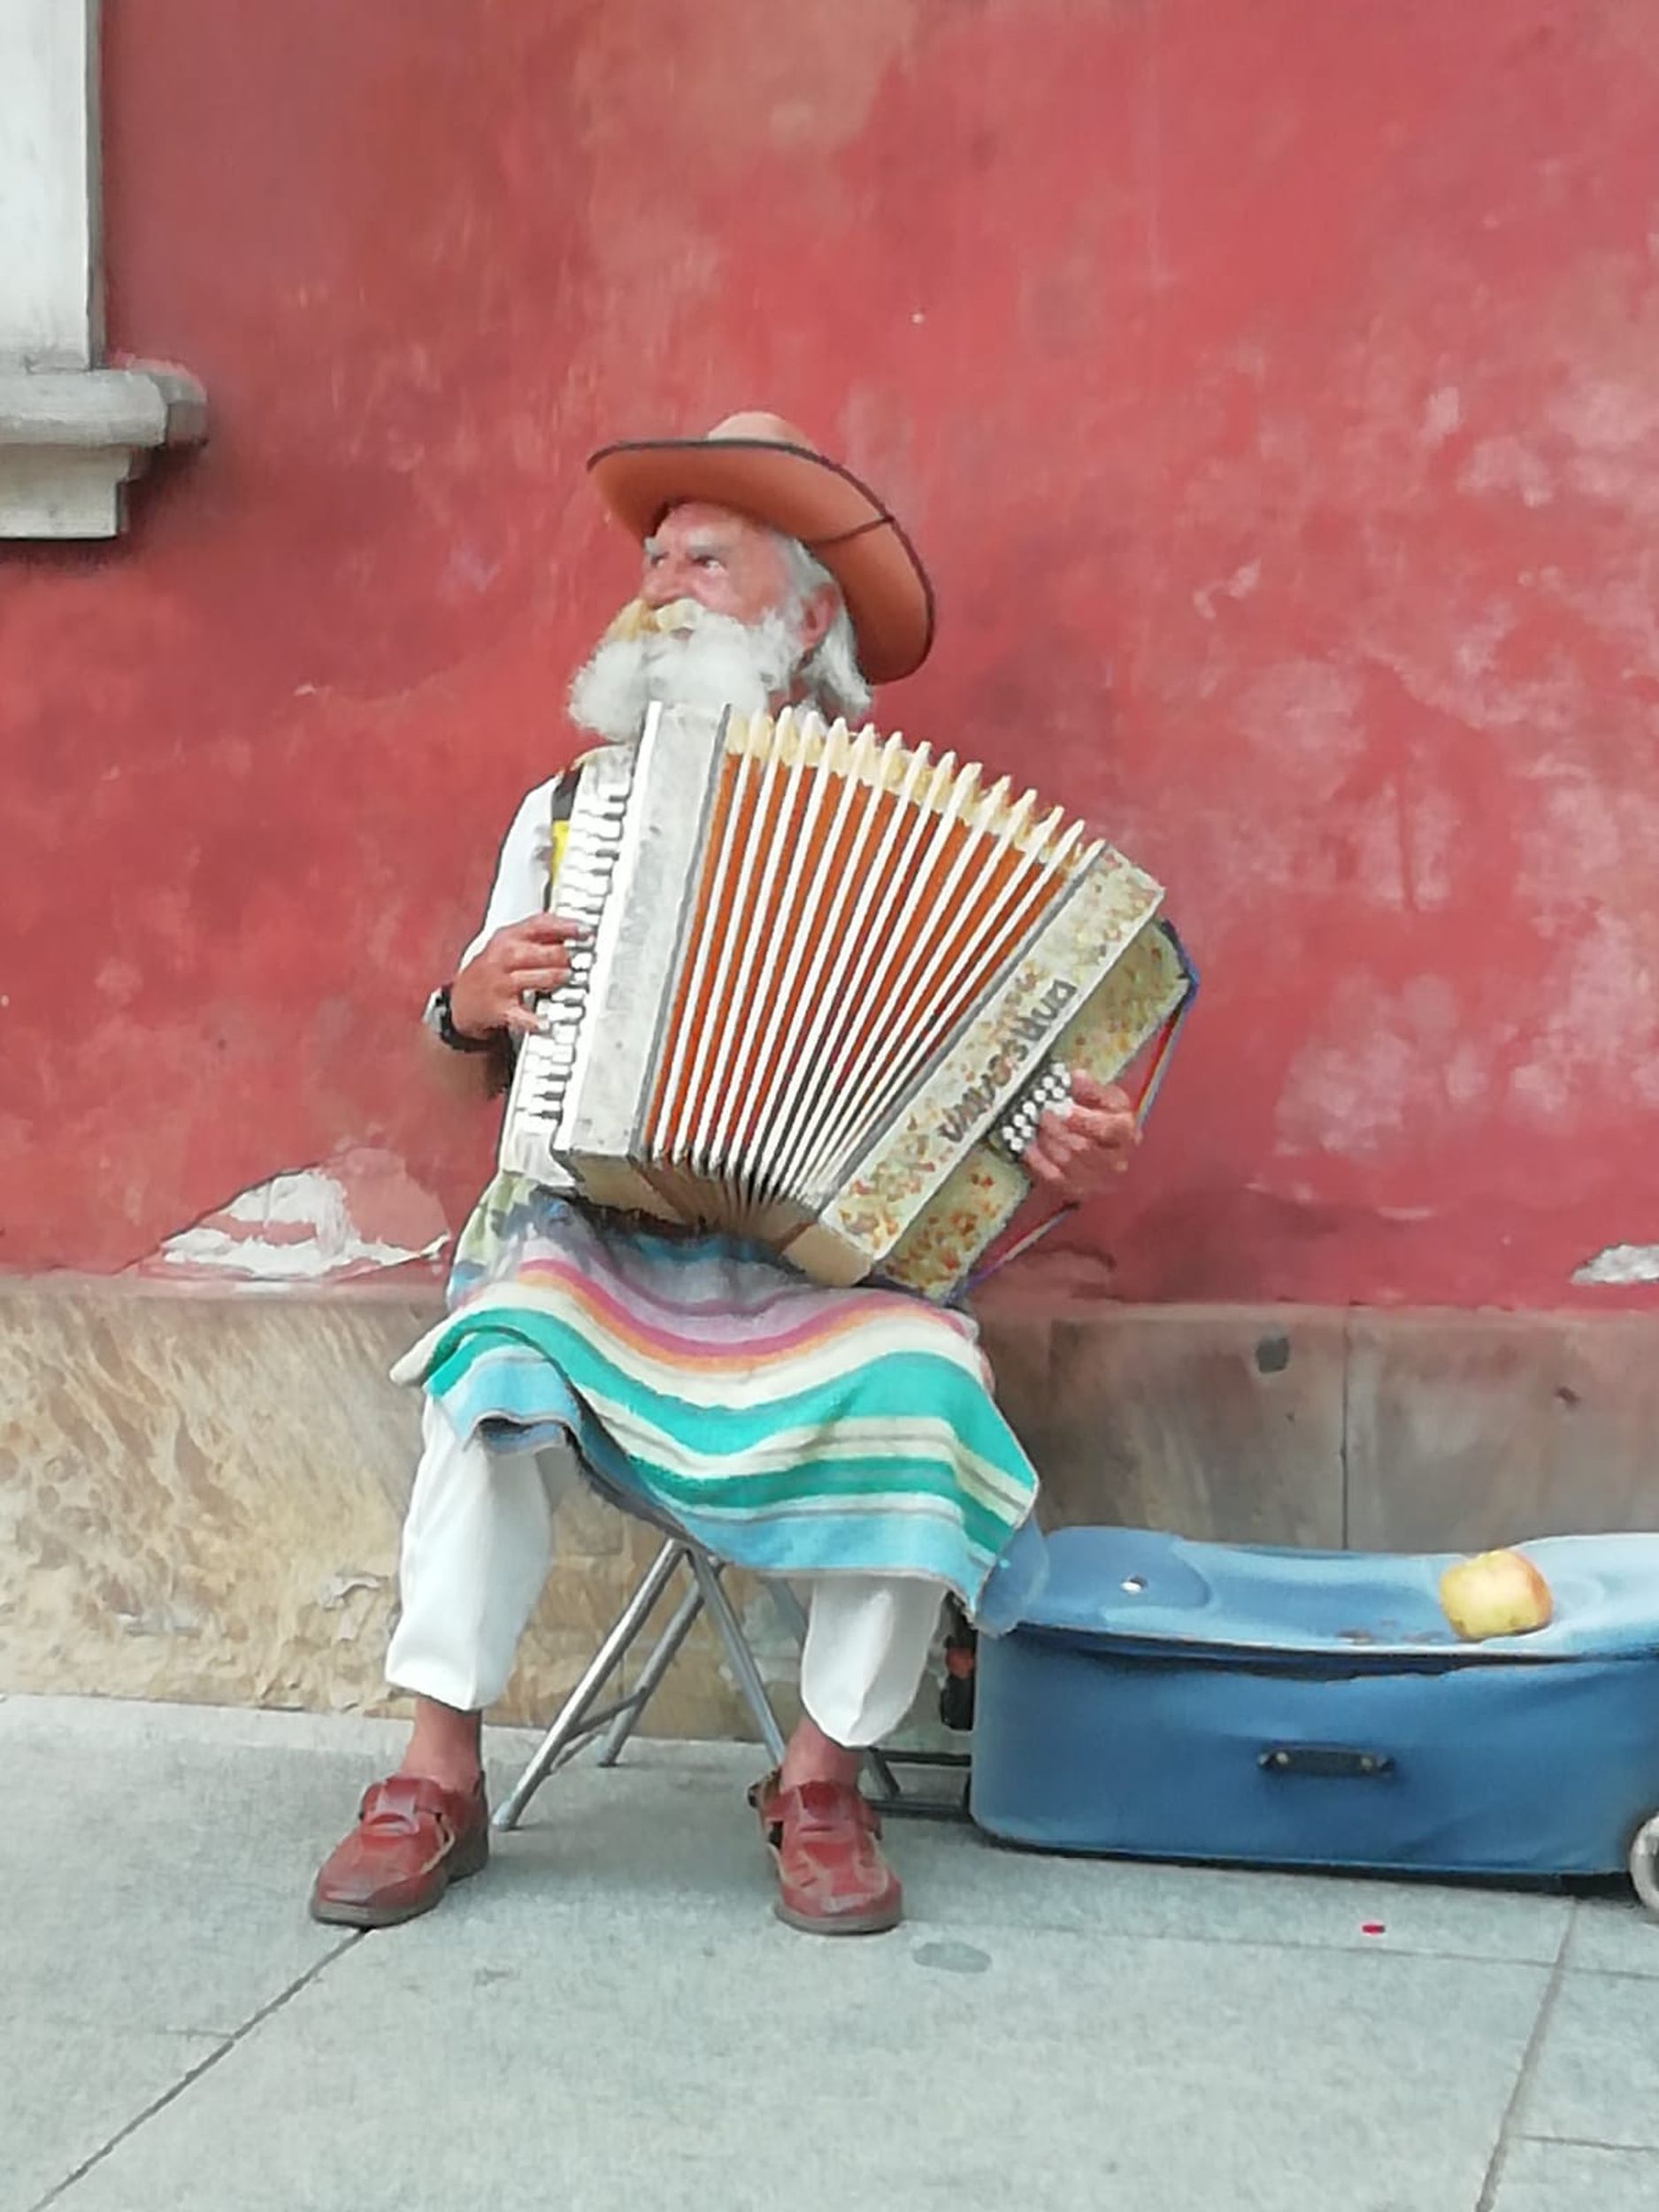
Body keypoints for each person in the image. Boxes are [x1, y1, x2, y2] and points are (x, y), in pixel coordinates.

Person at [311, 413, 1139, 1939]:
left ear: (806, 619)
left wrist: (1070, 1152)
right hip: (595, 1242)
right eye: (652, 560)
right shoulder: (567, 817)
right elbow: (458, 1069)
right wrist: (462, 1006)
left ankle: (820, 1780)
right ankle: (436, 1773)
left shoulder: (910, 846)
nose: (658, 589)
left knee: (930, 1385)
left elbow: (999, 1151)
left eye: (705, 560)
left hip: (814, 1274)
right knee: (497, 1350)